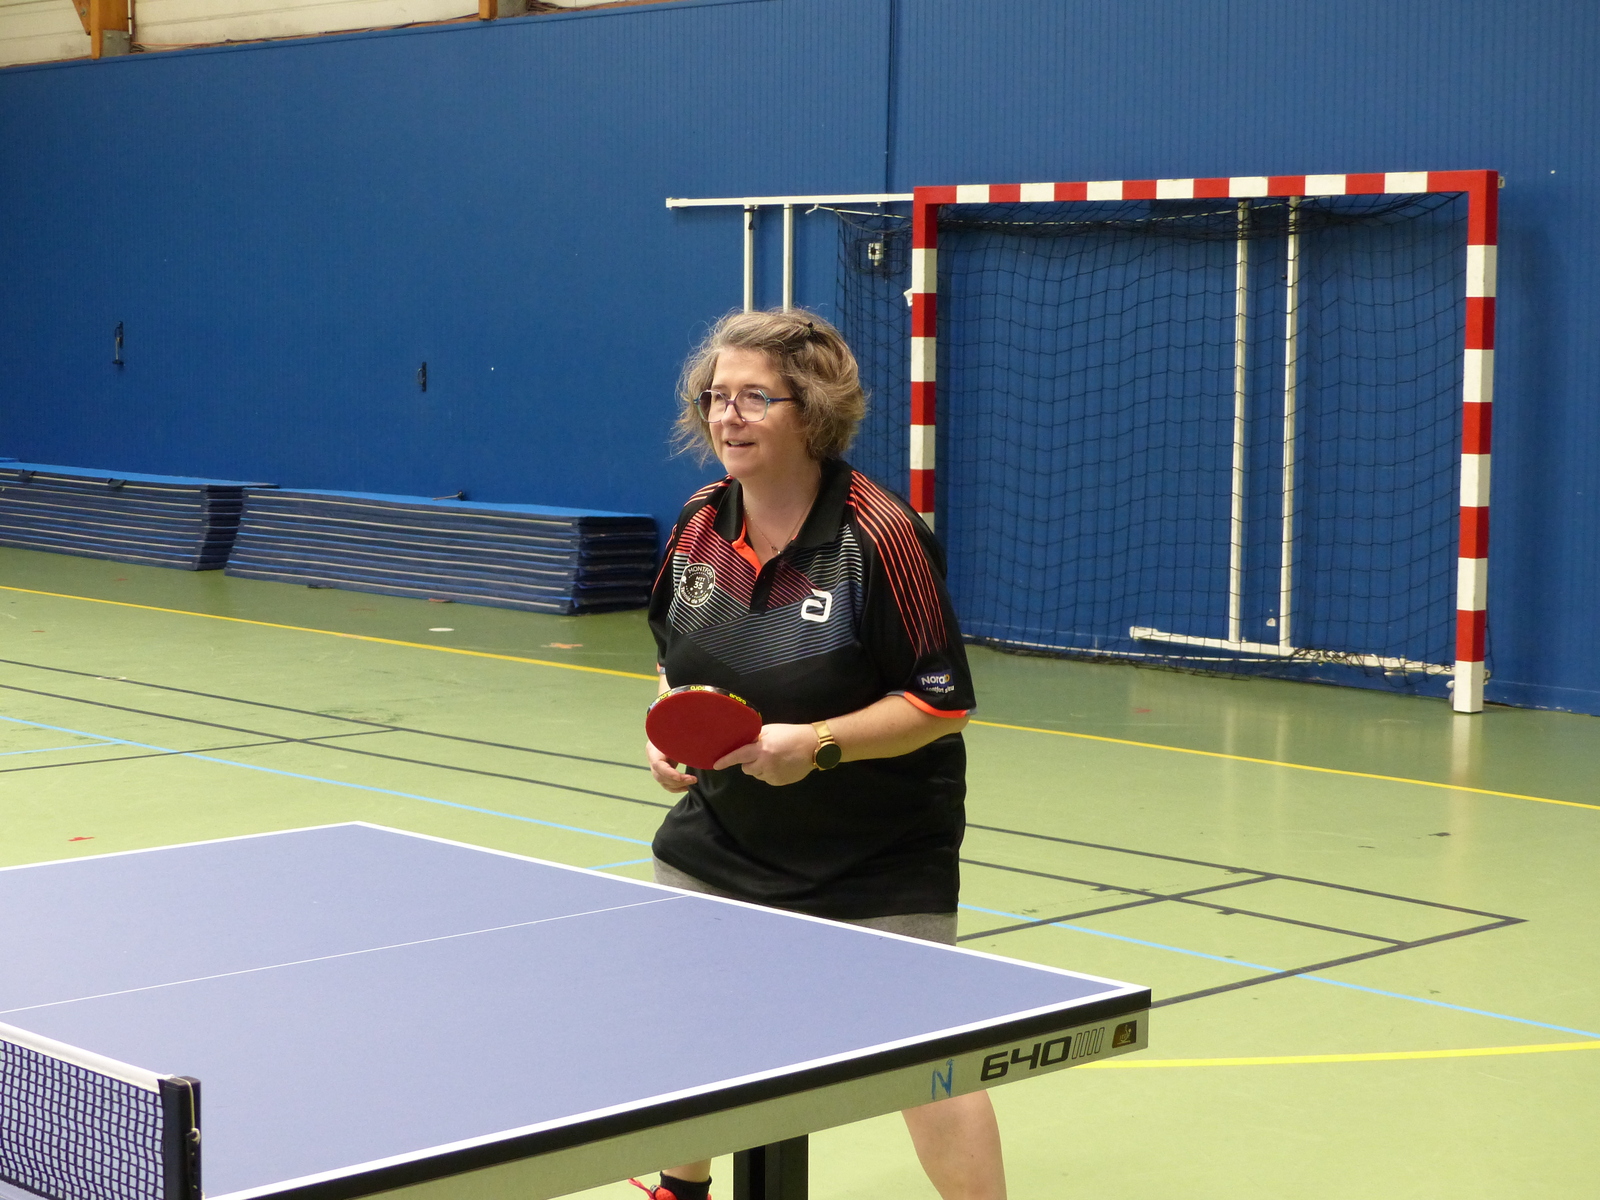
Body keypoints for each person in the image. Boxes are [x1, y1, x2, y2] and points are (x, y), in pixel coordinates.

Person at [636, 308, 1004, 1200]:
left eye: (754, 398)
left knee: (925, 1062)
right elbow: (673, 663)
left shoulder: (879, 535)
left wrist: (820, 745)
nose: (727, 416)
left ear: (813, 411)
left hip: (876, 850)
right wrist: (668, 730)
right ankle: (681, 1190)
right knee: (692, 1022)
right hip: (726, 834)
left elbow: (940, 701)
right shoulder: (696, 526)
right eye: (716, 396)